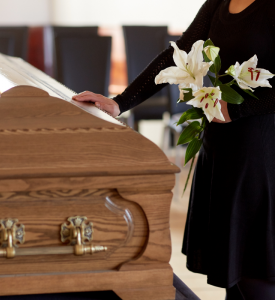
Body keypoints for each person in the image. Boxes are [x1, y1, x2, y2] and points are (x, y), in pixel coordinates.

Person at [73, 0, 275, 299]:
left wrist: (240, 109)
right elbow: (177, 54)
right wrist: (121, 102)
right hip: (221, 144)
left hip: (260, 148)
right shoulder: (219, 2)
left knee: (257, 271)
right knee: (234, 270)